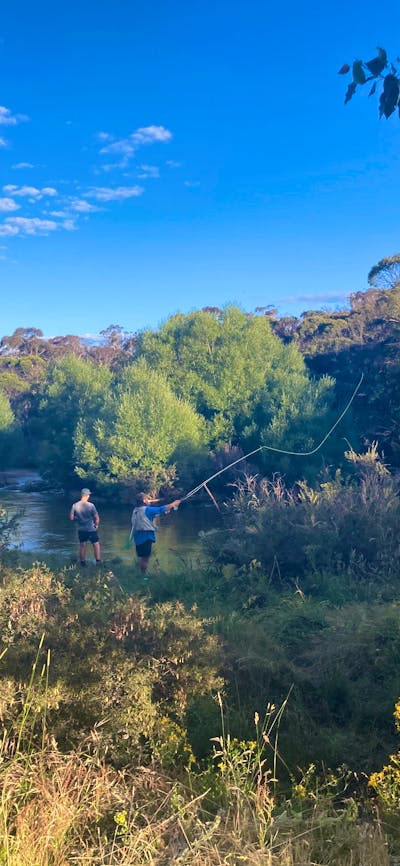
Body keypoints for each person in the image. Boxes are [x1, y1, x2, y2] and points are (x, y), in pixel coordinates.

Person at [131, 492, 181, 573]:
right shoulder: (147, 509)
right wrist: (173, 504)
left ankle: (142, 574)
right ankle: (143, 576)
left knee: (142, 557)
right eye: (147, 498)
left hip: (137, 536)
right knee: (145, 558)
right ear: (144, 500)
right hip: (146, 536)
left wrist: (166, 510)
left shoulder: (136, 510)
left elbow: (149, 516)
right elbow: (160, 509)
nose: (148, 500)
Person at [69, 487, 101, 566]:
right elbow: (97, 517)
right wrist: (96, 525)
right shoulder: (91, 506)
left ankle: (82, 562)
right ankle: (98, 562)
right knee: (96, 545)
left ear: (81, 495)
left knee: (82, 545)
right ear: (87, 496)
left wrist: (77, 518)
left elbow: (71, 518)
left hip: (81, 529)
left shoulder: (75, 505)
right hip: (91, 529)